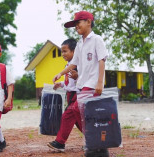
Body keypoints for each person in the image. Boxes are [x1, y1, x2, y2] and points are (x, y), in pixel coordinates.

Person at [53, 11, 109, 157]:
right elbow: (74, 63)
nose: (76, 26)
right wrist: (61, 73)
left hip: (92, 84)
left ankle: (98, 145)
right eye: (75, 24)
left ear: (89, 22)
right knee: (82, 113)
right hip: (82, 83)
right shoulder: (79, 44)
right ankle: (97, 147)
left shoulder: (97, 40)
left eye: (79, 22)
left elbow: (102, 60)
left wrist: (100, 82)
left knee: (79, 109)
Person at [47, 39, 82, 152]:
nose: (63, 54)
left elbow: (81, 80)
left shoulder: (78, 66)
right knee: (78, 121)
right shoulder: (68, 65)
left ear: (74, 51)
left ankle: (60, 142)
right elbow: (68, 83)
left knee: (67, 116)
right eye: (61, 52)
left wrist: (78, 77)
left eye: (65, 51)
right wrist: (61, 84)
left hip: (76, 95)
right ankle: (94, 139)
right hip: (70, 95)